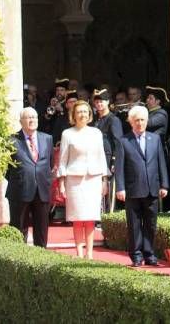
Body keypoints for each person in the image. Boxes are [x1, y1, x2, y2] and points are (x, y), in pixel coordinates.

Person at [115, 104, 169, 266]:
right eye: (137, 120)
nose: (140, 123)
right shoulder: (124, 141)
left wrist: (164, 185)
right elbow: (119, 167)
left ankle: (149, 254)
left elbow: (161, 162)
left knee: (151, 224)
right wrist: (120, 188)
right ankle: (136, 255)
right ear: (131, 122)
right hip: (132, 189)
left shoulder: (155, 139)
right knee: (134, 225)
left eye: (143, 120)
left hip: (152, 188)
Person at [57, 99, 109, 258]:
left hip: (93, 179)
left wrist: (104, 180)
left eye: (85, 112)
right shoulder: (67, 134)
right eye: (79, 112)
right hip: (74, 180)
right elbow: (63, 159)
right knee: (78, 218)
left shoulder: (96, 133)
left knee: (91, 218)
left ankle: (90, 253)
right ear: (73, 115)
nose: (82, 115)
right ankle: (79, 252)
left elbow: (102, 157)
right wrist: (61, 183)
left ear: (89, 114)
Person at [6, 107, 54, 247]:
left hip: (42, 191)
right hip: (20, 191)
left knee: (41, 231)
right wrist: (22, 179)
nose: (32, 120)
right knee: (19, 230)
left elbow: (50, 163)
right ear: (21, 121)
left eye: (34, 117)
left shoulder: (47, 138)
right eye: (28, 117)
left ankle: (41, 261)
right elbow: (6, 169)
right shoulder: (11, 140)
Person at [92, 87, 124, 211]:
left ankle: (108, 217)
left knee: (109, 189)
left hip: (108, 158)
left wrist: (115, 160)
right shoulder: (95, 120)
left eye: (102, 101)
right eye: (97, 101)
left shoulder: (113, 120)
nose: (99, 104)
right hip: (96, 158)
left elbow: (118, 142)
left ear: (108, 102)